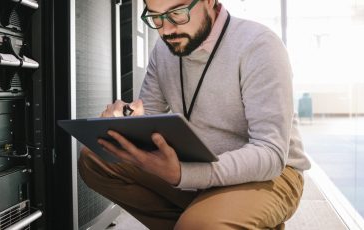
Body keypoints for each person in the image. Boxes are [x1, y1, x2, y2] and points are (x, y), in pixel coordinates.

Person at [78, 0, 311, 229]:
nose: (167, 29)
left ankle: (209, 219)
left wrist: (185, 174)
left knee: (199, 225)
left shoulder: (259, 45)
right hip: (192, 165)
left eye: (178, 13)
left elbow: (270, 154)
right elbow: (148, 115)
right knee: (96, 158)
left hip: (269, 175)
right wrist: (127, 121)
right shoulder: (163, 49)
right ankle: (209, 218)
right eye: (156, 17)